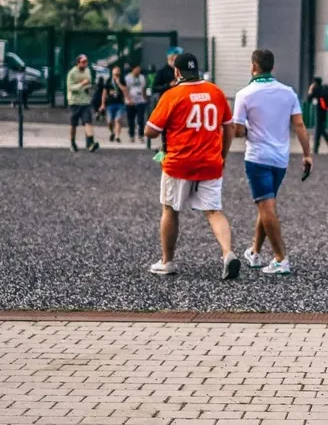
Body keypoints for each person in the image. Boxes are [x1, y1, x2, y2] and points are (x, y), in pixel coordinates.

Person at [144, 52, 241, 279]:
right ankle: (228, 254)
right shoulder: (216, 92)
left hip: (179, 162)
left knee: (170, 209)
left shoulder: (172, 95)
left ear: (176, 72)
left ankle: (167, 261)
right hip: (210, 161)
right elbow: (230, 128)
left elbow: (150, 130)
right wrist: (222, 154)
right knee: (214, 211)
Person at [235, 49, 313, 275]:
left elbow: (238, 130)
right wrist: (307, 154)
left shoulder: (245, 94)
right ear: (272, 67)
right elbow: (299, 125)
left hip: (257, 157)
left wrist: (247, 130)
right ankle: (255, 251)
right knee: (265, 204)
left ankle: (280, 258)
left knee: (266, 206)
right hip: (280, 158)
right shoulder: (288, 92)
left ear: (253, 67)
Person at [66, 55, 100, 152]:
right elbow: (70, 88)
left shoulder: (87, 71)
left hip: (85, 101)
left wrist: (87, 86)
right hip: (75, 101)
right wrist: (81, 84)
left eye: (86, 62)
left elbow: (89, 82)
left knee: (87, 121)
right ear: (78, 63)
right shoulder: (72, 73)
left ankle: (91, 142)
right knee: (74, 124)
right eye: (83, 62)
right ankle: (72, 142)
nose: (85, 64)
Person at [307, 76, 328, 155]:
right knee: (320, 129)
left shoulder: (316, 90)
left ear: (315, 83)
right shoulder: (325, 89)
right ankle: (327, 146)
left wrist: (310, 90)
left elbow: (308, 100)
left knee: (319, 129)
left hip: (318, 111)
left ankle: (318, 147)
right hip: (325, 111)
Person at [102, 66, 128, 143]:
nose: (116, 76)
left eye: (118, 74)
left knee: (118, 120)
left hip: (120, 103)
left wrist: (118, 83)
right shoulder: (108, 81)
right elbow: (104, 93)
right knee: (110, 121)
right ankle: (112, 132)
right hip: (110, 103)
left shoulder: (122, 80)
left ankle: (117, 136)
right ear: (112, 73)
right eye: (115, 74)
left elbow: (125, 90)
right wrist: (103, 104)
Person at [125, 64, 149, 143]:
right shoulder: (128, 78)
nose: (138, 71)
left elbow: (143, 88)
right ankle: (131, 135)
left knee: (141, 119)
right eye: (137, 69)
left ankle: (141, 135)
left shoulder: (142, 77)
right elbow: (126, 89)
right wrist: (128, 99)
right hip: (130, 101)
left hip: (140, 101)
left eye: (139, 69)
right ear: (133, 69)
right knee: (131, 119)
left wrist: (145, 98)